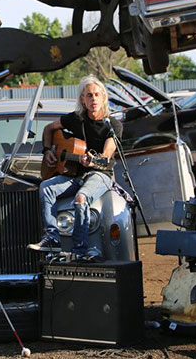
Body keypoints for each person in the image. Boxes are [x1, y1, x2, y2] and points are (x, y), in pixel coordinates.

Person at [28, 75, 117, 258]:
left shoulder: (112, 125)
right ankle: (52, 238)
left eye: (97, 95)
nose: (93, 99)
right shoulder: (76, 119)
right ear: (83, 100)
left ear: (103, 98)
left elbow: (107, 155)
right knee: (46, 187)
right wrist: (47, 150)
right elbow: (48, 129)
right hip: (76, 175)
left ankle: (79, 250)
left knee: (81, 198)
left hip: (100, 175)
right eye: (89, 95)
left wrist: (94, 160)